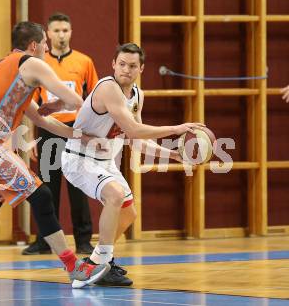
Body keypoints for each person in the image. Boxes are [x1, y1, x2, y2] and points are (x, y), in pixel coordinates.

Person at [0, 22, 110, 289]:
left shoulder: (8, 67)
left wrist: (84, 138)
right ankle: (74, 267)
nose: (47, 47)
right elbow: (76, 100)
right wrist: (106, 112)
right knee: (41, 195)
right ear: (34, 45)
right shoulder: (31, 62)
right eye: (44, 43)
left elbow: (44, 121)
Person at [60, 43, 204, 286]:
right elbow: (133, 128)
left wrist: (172, 154)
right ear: (113, 64)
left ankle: (95, 264)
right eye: (122, 64)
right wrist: (175, 129)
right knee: (115, 196)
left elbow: (135, 140)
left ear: (141, 68)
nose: (126, 69)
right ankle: (102, 265)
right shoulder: (108, 88)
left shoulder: (137, 94)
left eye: (132, 66)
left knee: (128, 214)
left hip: (104, 161)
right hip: (79, 158)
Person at [22, 12, 97, 255]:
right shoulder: (39, 63)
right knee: (46, 188)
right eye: (56, 31)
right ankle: (44, 240)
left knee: (79, 187)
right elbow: (29, 104)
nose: (61, 35)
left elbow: (93, 99)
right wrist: (31, 136)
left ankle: (84, 240)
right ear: (48, 34)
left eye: (65, 30)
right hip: (47, 129)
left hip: (75, 130)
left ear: (71, 32)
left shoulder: (84, 62)